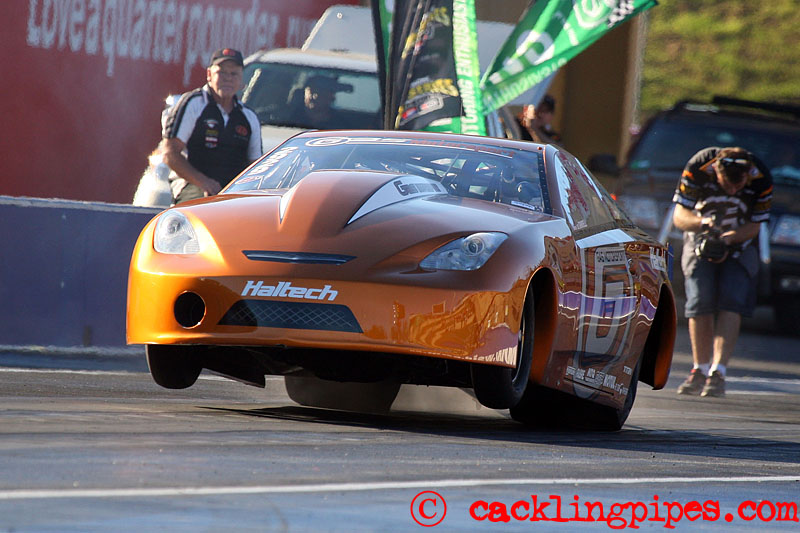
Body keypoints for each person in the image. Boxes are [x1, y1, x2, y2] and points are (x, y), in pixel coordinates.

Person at [673, 147, 773, 397]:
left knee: (732, 300)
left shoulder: (761, 177)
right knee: (699, 300)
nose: (733, 191)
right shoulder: (698, 167)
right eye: (728, 185)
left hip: (741, 242)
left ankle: (718, 371)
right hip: (699, 238)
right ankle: (699, 368)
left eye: (739, 186)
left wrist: (731, 238)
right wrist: (703, 223)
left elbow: (756, 225)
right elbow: (679, 216)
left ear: (748, 175)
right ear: (716, 171)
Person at [162, 48, 262, 203]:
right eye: (222, 73)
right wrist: (204, 182)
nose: (228, 79)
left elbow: (256, 167)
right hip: (192, 185)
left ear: (241, 78)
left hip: (233, 192)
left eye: (233, 74)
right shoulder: (193, 104)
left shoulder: (248, 117)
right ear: (209, 74)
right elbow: (170, 154)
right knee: (207, 204)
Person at [288, 75, 353, 130]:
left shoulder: (339, 125)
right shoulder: (289, 118)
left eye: (320, 92)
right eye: (311, 91)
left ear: (331, 97)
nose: (314, 96)